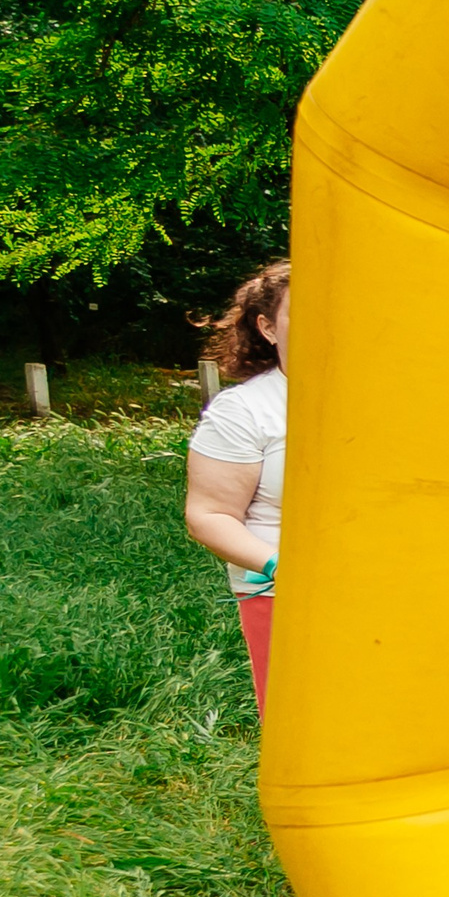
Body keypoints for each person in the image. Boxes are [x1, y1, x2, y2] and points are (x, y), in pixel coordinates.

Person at [183, 261, 291, 709]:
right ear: (267, 327)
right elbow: (209, 516)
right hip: (286, 601)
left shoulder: (393, 400)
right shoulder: (245, 410)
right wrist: (283, 568)